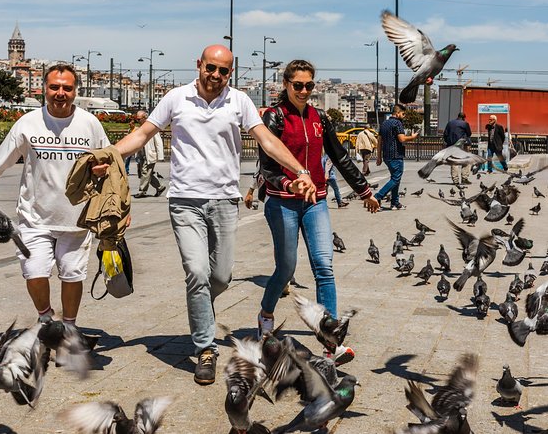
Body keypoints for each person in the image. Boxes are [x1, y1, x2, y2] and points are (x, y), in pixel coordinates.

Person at [98, 45, 316, 386]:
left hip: (225, 200)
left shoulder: (239, 101)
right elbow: (142, 135)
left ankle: (199, 307)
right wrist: (107, 155)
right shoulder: (176, 98)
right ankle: (205, 348)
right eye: (210, 68)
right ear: (199, 65)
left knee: (222, 277)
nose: (215, 75)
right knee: (197, 273)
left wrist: (300, 169)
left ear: (230, 73)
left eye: (223, 71)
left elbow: (268, 142)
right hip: (184, 200)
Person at [257, 60, 378, 365]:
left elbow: (340, 157)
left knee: (324, 266)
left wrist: (364, 191)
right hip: (282, 200)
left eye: (309, 85)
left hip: (317, 201)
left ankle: (331, 344)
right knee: (285, 269)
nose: (304, 91)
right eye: (298, 85)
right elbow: (267, 168)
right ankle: (266, 314)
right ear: (286, 85)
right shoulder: (274, 118)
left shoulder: (320, 119)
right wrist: (290, 182)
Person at [0, 64, 110, 330]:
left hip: (77, 219)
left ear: (75, 91)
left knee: (72, 275)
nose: (60, 93)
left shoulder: (90, 124)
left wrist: (104, 177)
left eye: (67, 88)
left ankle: (69, 327)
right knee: (33, 271)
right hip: (34, 218)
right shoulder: (28, 123)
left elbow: (110, 163)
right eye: (54, 87)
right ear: (43, 89)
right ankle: (45, 316)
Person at [374, 104, 419, 210]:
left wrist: (379, 156)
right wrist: (412, 137)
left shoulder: (384, 123)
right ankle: (377, 197)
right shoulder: (397, 123)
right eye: (403, 114)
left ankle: (395, 203)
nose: (404, 116)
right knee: (395, 179)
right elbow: (402, 139)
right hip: (396, 155)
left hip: (387, 156)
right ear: (397, 113)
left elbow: (379, 141)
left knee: (395, 179)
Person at [133, 110, 166, 198]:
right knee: (147, 174)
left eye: (139, 119)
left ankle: (142, 191)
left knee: (145, 172)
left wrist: (160, 155)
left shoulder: (151, 127)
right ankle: (159, 187)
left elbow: (158, 142)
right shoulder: (139, 128)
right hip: (141, 154)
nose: (138, 121)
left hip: (150, 154)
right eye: (137, 119)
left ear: (145, 118)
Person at [442, 112, 472, 185]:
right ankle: (464, 178)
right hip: (462, 145)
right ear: (464, 117)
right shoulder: (465, 124)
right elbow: (469, 134)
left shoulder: (450, 123)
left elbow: (445, 134)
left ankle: (455, 180)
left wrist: (449, 142)